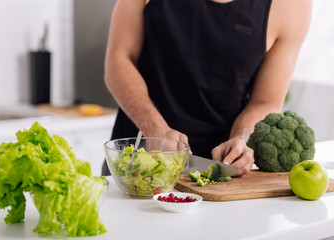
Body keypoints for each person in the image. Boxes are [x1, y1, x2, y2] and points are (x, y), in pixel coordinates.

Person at [102, 0, 312, 177]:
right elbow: (119, 60)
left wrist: (242, 138)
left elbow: (266, 101)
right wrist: (154, 128)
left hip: (219, 173)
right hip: (136, 163)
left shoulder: (292, 5)